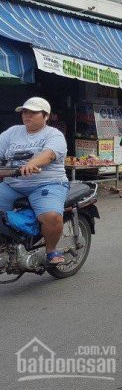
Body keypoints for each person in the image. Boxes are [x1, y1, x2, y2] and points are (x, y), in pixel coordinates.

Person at [0, 97, 69, 265]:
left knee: (51, 216)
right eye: (25, 112)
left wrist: (30, 164)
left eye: (33, 112)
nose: (27, 116)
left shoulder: (54, 134)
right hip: (12, 184)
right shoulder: (12, 132)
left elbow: (49, 154)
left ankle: (51, 250)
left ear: (46, 116)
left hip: (47, 184)